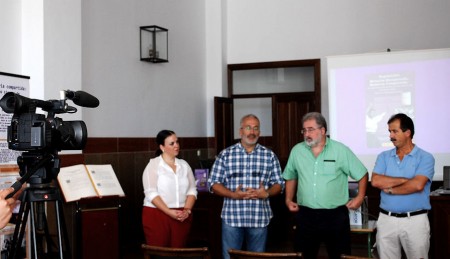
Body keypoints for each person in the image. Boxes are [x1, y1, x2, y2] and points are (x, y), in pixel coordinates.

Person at [283, 112, 368, 259]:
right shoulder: (297, 151)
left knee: (340, 256)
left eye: (311, 129)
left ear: (323, 130)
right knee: (303, 255)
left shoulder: (340, 150)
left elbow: (362, 174)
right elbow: (290, 176)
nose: (306, 134)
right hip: (306, 215)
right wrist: (288, 199)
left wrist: (360, 197)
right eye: (304, 130)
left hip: (335, 216)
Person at [208, 114, 285, 259]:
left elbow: (279, 184)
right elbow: (213, 183)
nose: (252, 132)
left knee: (256, 257)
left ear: (260, 133)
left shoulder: (269, 156)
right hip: (232, 218)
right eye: (248, 127)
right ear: (240, 131)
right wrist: (233, 195)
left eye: (256, 128)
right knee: (230, 257)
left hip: (259, 217)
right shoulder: (226, 155)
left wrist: (266, 193)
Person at [371, 113, 434, 259]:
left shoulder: (425, 157)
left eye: (394, 131)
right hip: (386, 219)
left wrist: (391, 189)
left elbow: (418, 185)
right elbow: (376, 181)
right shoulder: (384, 156)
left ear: (407, 133)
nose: (391, 136)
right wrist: (406, 180)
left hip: (415, 221)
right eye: (389, 131)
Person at [142, 129, 198, 247]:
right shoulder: (153, 165)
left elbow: (192, 190)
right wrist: (169, 212)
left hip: (182, 215)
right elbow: (151, 193)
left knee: (178, 251)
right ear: (162, 147)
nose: (176, 146)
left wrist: (187, 210)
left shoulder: (184, 164)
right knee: (160, 252)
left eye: (177, 142)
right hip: (157, 214)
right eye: (172, 143)